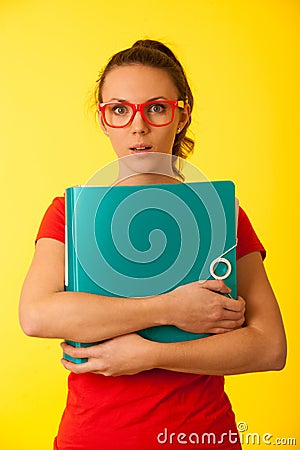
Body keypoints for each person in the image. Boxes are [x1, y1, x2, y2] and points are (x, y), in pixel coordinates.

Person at [19, 40, 286, 450]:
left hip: (201, 435)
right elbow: (37, 316)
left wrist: (147, 355)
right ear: (105, 120)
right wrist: (171, 309)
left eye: (156, 108)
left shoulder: (221, 214)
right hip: (94, 438)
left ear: (181, 116)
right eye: (120, 109)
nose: (138, 126)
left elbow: (269, 348)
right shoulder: (70, 214)